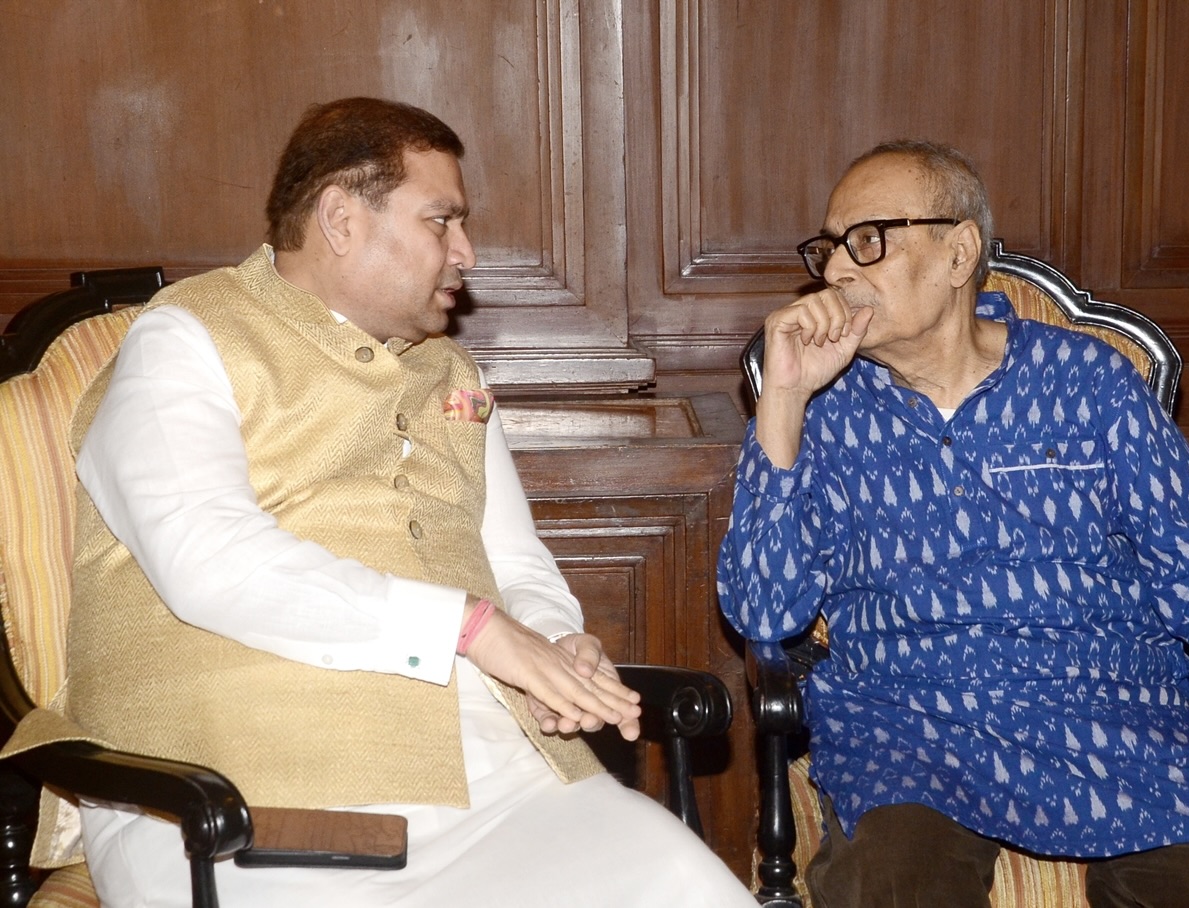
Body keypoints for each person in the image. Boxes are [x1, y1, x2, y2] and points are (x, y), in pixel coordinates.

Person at [22, 97, 755, 907]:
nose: (466, 251)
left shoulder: (454, 376)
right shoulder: (186, 338)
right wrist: (471, 628)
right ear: (341, 219)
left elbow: (515, 563)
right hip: (237, 793)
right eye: (442, 221)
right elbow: (206, 556)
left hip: (494, 782)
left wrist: (556, 646)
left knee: (679, 878)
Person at [716, 139, 1189, 908]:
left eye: (866, 241)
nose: (835, 270)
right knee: (892, 885)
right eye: (828, 248)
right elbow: (763, 611)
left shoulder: (1089, 384)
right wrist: (784, 400)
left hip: (1117, 721)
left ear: (959, 252)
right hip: (912, 730)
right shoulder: (825, 412)